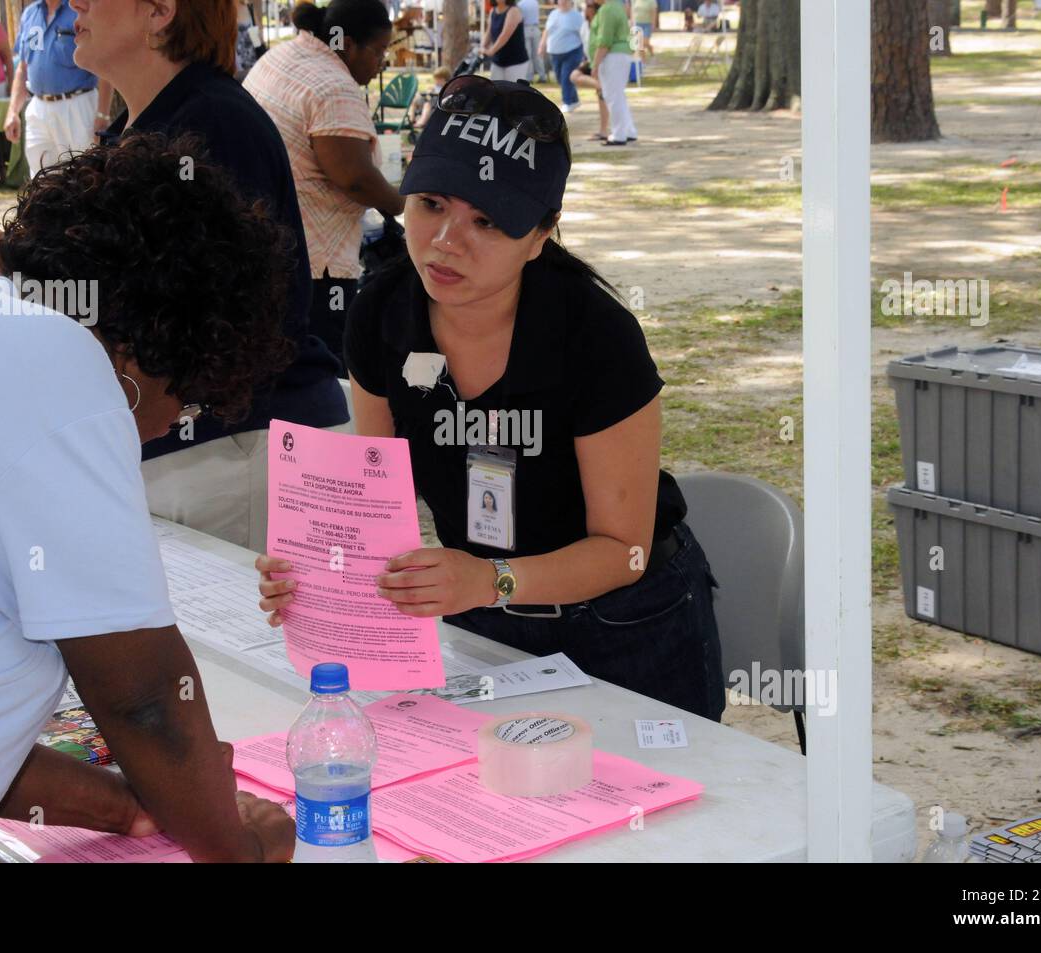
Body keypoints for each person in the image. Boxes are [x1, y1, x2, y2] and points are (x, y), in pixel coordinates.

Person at [0, 133, 296, 863]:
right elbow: (145, 699)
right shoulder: (70, 375)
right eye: (183, 402)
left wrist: (126, 805)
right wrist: (240, 846)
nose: (161, 428)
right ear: (151, 358)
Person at [257, 78, 726, 721]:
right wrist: (318, 575)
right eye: (429, 204)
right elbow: (373, 503)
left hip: (627, 625)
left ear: (541, 235)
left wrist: (488, 580)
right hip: (485, 623)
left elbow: (625, 550)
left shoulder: (596, 335)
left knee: (660, 814)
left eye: (487, 220)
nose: (447, 241)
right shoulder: (383, 313)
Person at [0, 0, 350, 552]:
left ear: (160, 12)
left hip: (233, 447)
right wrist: (17, 253)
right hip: (185, 446)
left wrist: (25, 265)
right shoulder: (144, 123)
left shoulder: (211, 122)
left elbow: (204, 309)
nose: (76, 6)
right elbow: (132, 266)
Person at [244, 0, 405, 364]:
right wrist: (403, 203)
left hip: (265, 242)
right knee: (323, 375)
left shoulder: (284, 54)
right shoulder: (334, 87)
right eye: (378, 51)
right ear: (348, 44)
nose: (381, 62)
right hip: (315, 264)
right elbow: (355, 179)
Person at [5, 0, 115, 173]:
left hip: (77, 104)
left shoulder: (81, 9)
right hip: (38, 107)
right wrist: (12, 112)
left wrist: (103, 113)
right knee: (40, 176)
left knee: (84, 173)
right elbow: (23, 68)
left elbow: (104, 62)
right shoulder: (29, 14)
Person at [590, 0, 635, 146]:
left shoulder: (607, 9)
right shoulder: (618, 6)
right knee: (618, 95)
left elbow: (604, 40)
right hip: (621, 54)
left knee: (612, 96)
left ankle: (619, 134)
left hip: (613, 56)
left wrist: (595, 65)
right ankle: (628, 131)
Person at [570, 0, 609, 139]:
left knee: (601, 97)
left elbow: (603, 43)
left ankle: (603, 130)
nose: (586, 8)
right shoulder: (585, 24)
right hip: (590, 60)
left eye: (590, 6)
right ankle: (601, 87)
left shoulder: (601, 21)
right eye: (586, 5)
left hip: (601, 60)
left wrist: (597, 64)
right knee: (574, 76)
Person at [539, 0, 584, 113]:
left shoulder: (577, 16)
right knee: (560, 78)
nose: (563, 1)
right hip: (555, 53)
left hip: (572, 51)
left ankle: (567, 102)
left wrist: (585, 53)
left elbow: (583, 34)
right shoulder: (553, 13)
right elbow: (546, 31)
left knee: (566, 77)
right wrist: (542, 45)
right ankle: (575, 100)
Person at [482, 0, 529, 83]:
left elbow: (504, 36)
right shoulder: (493, 11)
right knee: (495, 91)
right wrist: (482, 46)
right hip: (498, 60)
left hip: (515, 62)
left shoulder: (514, 11)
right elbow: (488, 32)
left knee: (513, 92)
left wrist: (491, 51)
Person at [517, 0, 545, 82]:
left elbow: (521, 18)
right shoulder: (535, 2)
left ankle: (529, 77)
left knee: (528, 55)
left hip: (526, 29)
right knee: (537, 55)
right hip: (536, 28)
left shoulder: (520, 4)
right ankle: (542, 76)